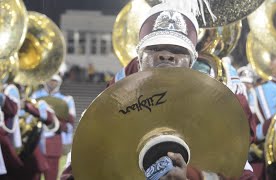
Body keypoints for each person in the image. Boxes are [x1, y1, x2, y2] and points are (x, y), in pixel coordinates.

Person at [61, 1, 255, 180]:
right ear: (139, 60)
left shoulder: (215, 100)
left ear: (191, 61)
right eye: (155, 49)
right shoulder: (117, 96)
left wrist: (195, 175)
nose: (166, 55)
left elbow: (240, 172)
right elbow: (78, 167)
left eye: (178, 51)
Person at [32, 74, 76, 180]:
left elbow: (70, 123)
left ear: (59, 82)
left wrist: (58, 124)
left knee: (51, 175)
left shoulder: (66, 100)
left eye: (55, 81)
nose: (52, 83)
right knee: (34, 174)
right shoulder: (35, 96)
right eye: (51, 80)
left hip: (54, 141)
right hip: (35, 141)